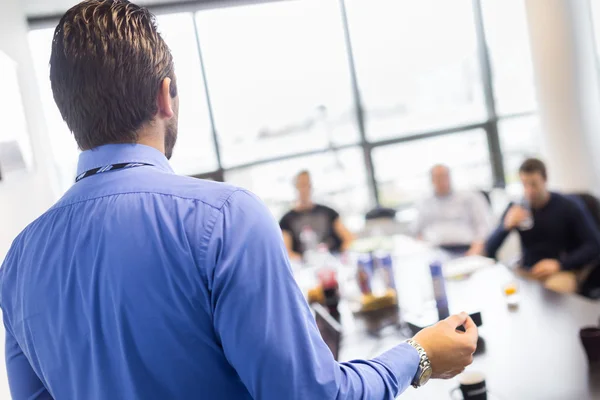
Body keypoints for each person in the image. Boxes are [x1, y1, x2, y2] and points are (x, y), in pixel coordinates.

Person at [0, 1, 477, 399]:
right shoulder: (224, 218)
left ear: (69, 114)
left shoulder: (17, 262)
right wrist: (418, 356)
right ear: (166, 97)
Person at [485, 158, 600, 293]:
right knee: (504, 292)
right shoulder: (517, 208)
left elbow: (594, 245)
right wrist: (505, 227)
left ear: (545, 179)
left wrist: (560, 264)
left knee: (553, 296)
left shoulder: (568, 206)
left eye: (534, 184)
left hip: (561, 271)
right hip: (528, 271)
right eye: (524, 184)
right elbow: (489, 249)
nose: (529, 191)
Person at [414, 164, 492, 256]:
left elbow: (483, 226)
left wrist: (476, 249)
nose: (442, 181)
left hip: (465, 249)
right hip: (435, 250)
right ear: (432, 180)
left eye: (444, 176)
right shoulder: (425, 202)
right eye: (437, 177)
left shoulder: (469, 197)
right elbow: (417, 230)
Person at [280, 170, 354, 260]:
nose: (305, 189)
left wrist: (341, 256)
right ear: (296, 187)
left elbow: (348, 238)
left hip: (332, 261)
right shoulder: (286, 220)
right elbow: (287, 252)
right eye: (302, 185)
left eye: (307, 185)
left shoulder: (328, 212)